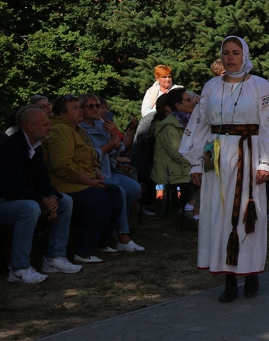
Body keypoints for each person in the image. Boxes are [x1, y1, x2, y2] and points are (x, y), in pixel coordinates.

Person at [179, 36, 269, 303]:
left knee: (247, 216)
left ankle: (250, 273)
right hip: (216, 160)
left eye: (235, 52)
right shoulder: (211, 86)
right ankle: (228, 279)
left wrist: (265, 161)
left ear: (244, 55)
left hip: (248, 155)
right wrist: (195, 162)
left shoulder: (260, 86)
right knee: (218, 214)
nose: (230, 57)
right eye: (226, 53)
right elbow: (200, 124)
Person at [0, 108, 82, 282]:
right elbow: (10, 188)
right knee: (29, 208)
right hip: (5, 201)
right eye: (45, 125)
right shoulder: (10, 148)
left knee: (64, 200)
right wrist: (42, 200)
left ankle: (55, 257)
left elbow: (42, 180)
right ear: (30, 127)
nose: (50, 128)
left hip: (23, 197)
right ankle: (19, 268)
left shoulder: (36, 149)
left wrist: (51, 197)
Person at [44, 95, 123, 263]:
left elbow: (91, 156)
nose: (80, 110)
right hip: (65, 184)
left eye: (79, 107)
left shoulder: (77, 129)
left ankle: (100, 243)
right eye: (75, 108)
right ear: (62, 114)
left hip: (83, 179)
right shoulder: (60, 129)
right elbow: (63, 165)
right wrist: (89, 182)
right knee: (98, 199)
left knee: (114, 193)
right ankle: (83, 251)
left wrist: (97, 173)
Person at [79, 94, 144, 251]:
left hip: (109, 170)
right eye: (91, 106)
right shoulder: (80, 129)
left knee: (134, 188)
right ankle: (123, 235)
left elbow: (120, 149)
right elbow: (87, 155)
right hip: (93, 173)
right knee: (119, 191)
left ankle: (114, 224)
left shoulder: (101, 125)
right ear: (81, 109)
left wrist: (114, 135)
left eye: (98, 105)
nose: (96, 109)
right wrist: (108, 146)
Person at [152, 89, 197, 218]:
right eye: (188, 100)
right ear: (178, 105)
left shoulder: (189, 122)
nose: (192, 103)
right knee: (208, 175)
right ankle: (190, 209)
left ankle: (192, 207)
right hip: (173, 169)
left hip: (183, 165)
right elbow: (178, 154)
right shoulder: (170, 126)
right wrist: (197, 163)